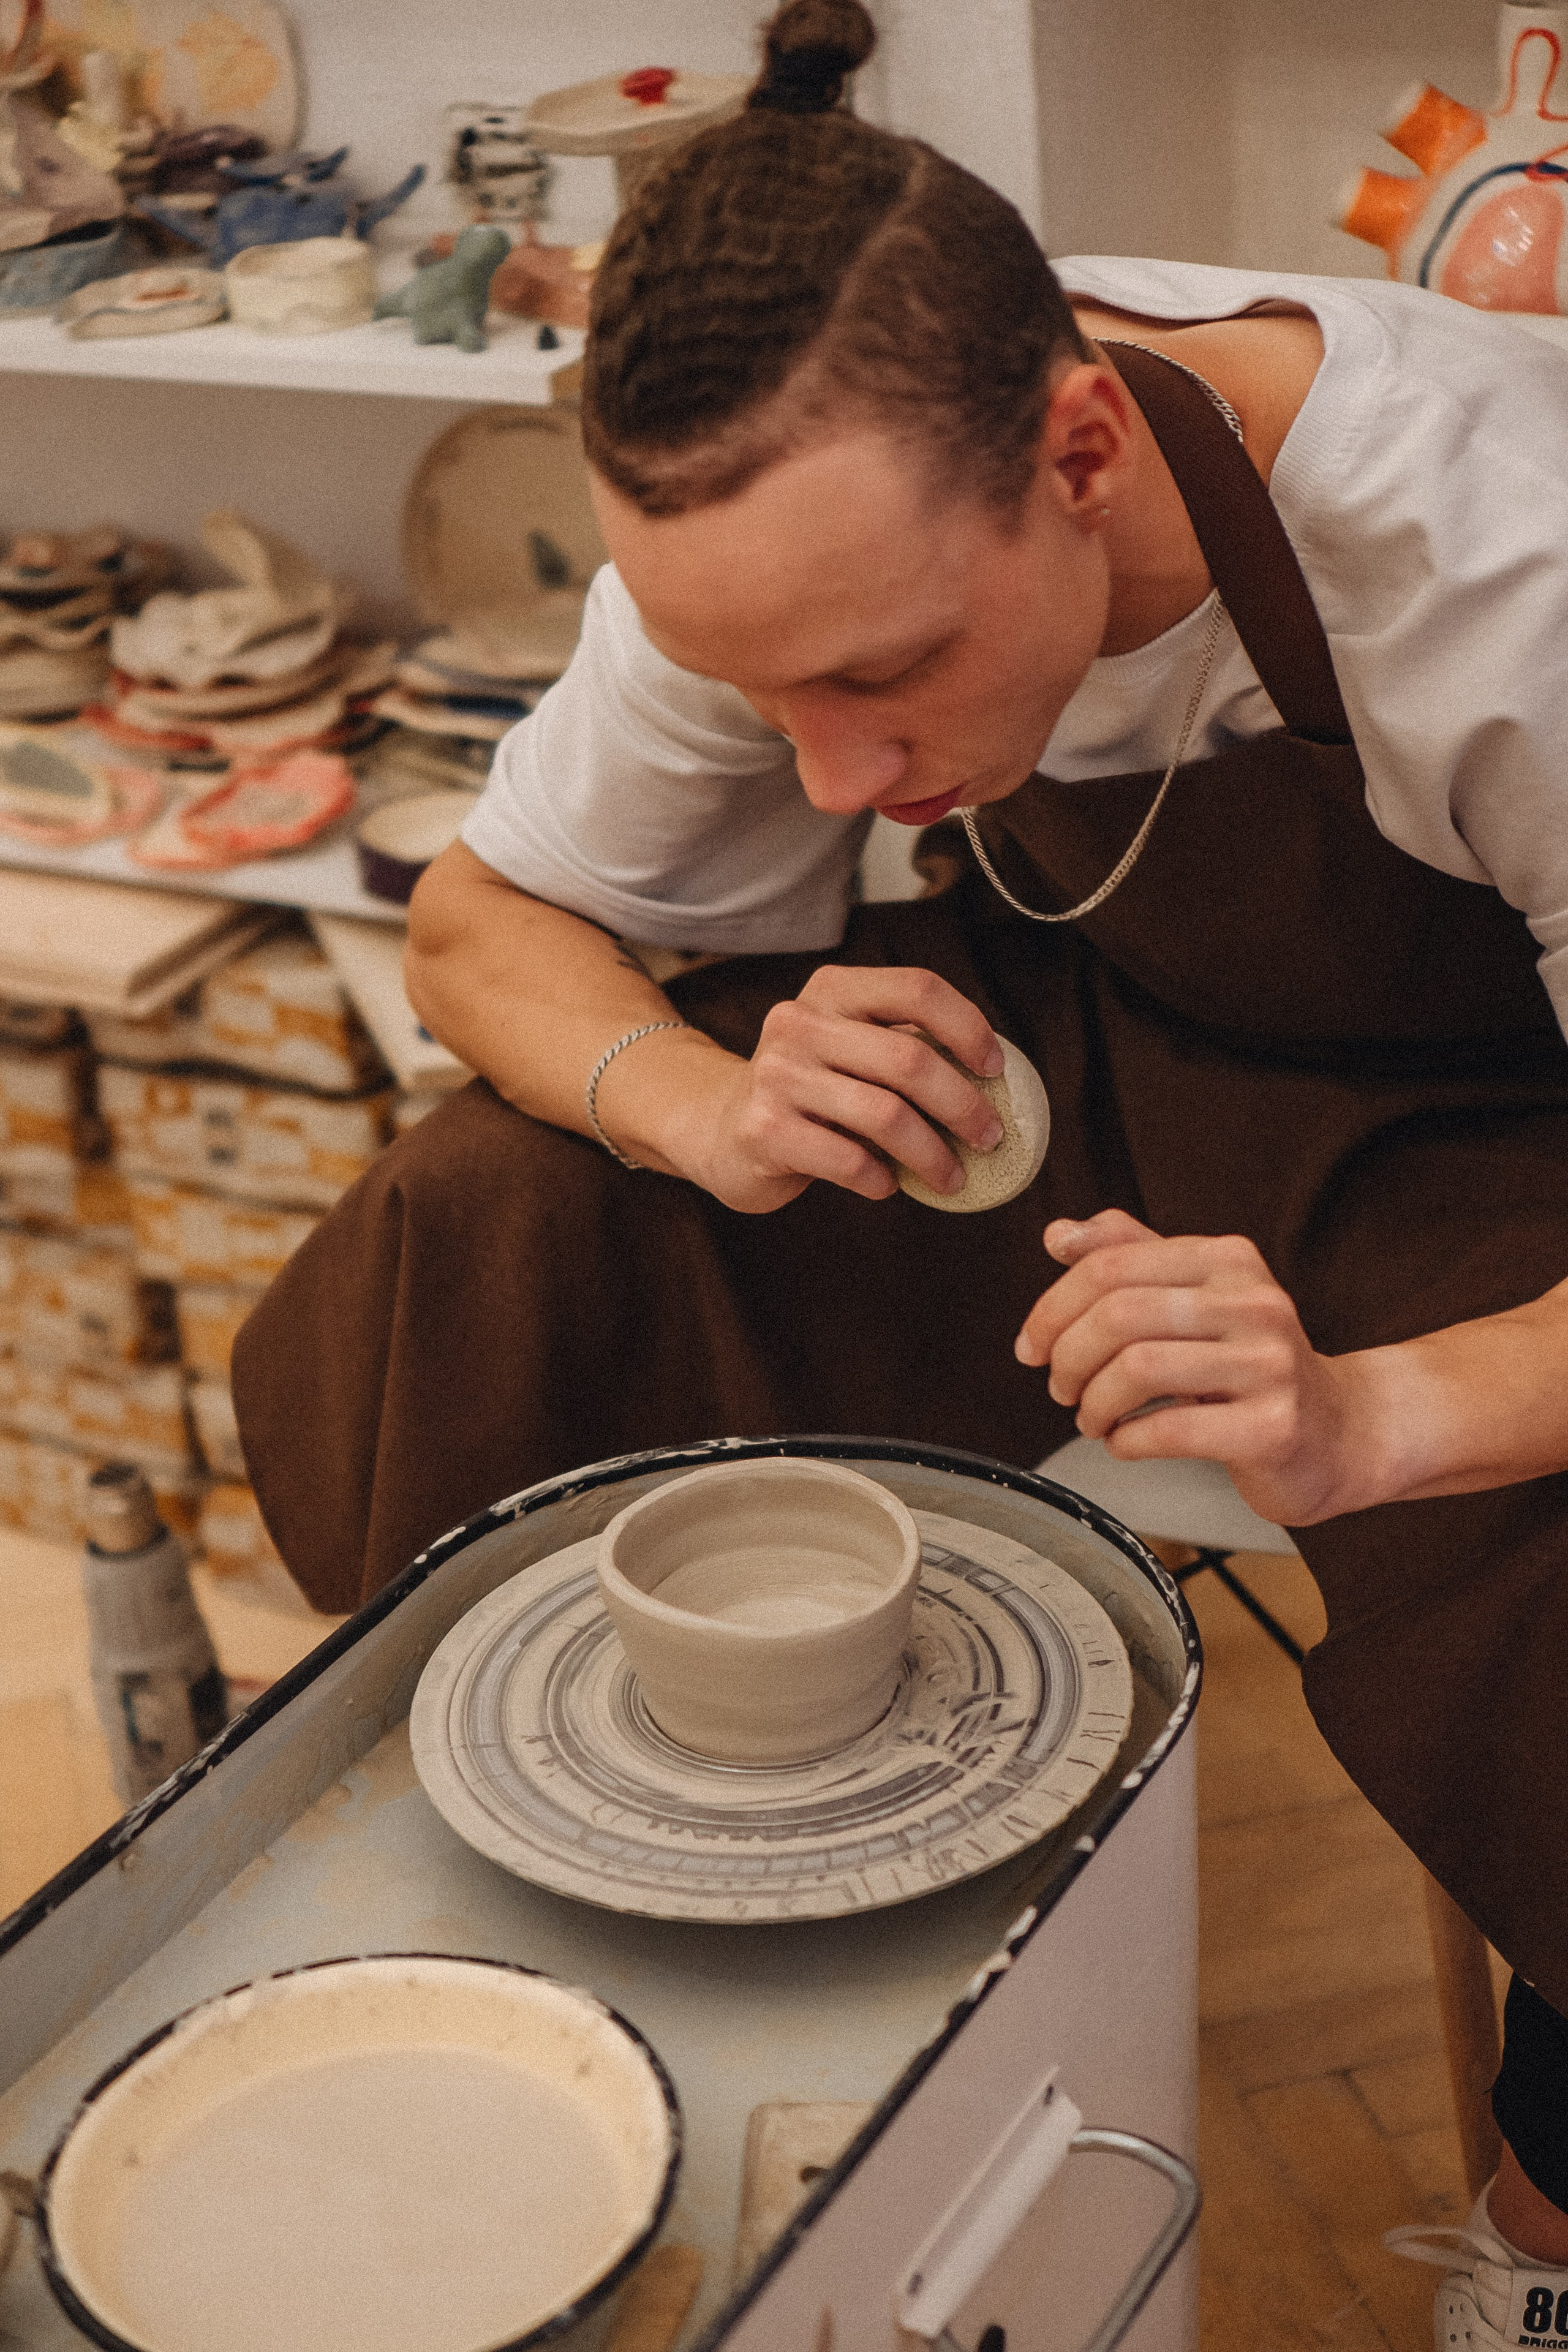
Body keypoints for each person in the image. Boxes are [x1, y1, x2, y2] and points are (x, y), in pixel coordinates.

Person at [233, 2, 1568, 2331]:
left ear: (1080, 448)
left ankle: (1545, 2223)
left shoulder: (1502, 557)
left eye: (885, 677)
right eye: (768, 706)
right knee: (506, 1217)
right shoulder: (784, 526)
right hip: (1067, 1041)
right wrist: (697, 1099)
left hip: (1478, 1130)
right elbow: (479, 924)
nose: (831, 783)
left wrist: (1370, 1419)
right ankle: (565, 1960)